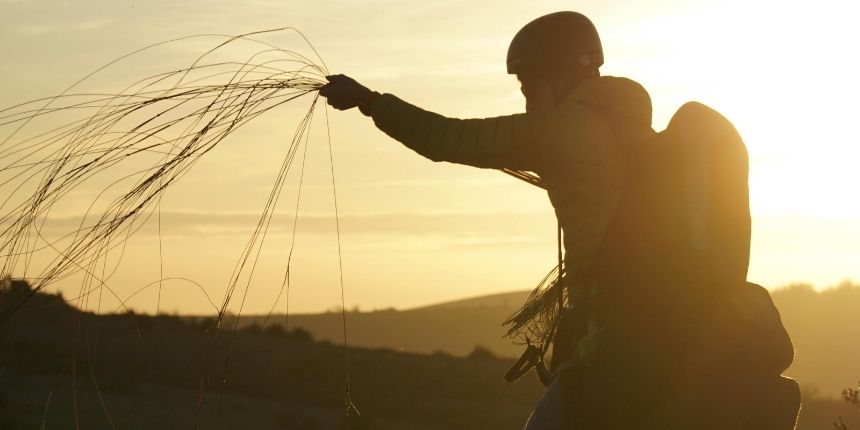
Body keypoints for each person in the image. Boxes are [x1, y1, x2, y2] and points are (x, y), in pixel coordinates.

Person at [320, 11, 799, 430]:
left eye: (529, 87)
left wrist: (369, 101)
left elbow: (450, 140)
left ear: (559, 75)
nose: (527, 101)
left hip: (625, 344)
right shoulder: (630, 131)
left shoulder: (566, 131)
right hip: (670, 332)